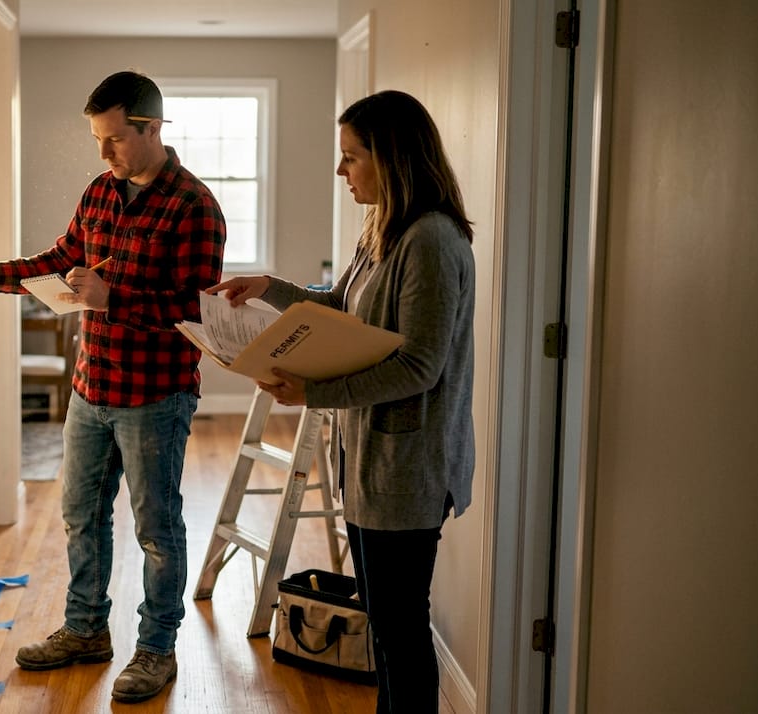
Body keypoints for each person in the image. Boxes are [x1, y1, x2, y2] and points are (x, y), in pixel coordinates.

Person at [0, 70, 225, 704]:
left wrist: (113, 297)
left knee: (157, 529)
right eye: (98, 140)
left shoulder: (195, 206)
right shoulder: (101, 191)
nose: (103, 154)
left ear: (152, 128)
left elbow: (197, 308)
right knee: (81, 516)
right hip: (91, 386)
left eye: (114, 140)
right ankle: (85, 632)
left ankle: (157, 650)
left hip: (156, 395)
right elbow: (58, 260)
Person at [208, 90, 474, 713]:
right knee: (384, 626)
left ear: (393, 158)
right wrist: (270, 286)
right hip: (369, 462)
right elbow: (345, 304)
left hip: (407, 468)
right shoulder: (384, 226)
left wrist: (314, 392)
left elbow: (419, 366)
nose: (340, 170)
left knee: (400, 631)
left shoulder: (431, 242)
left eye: (351, 157)